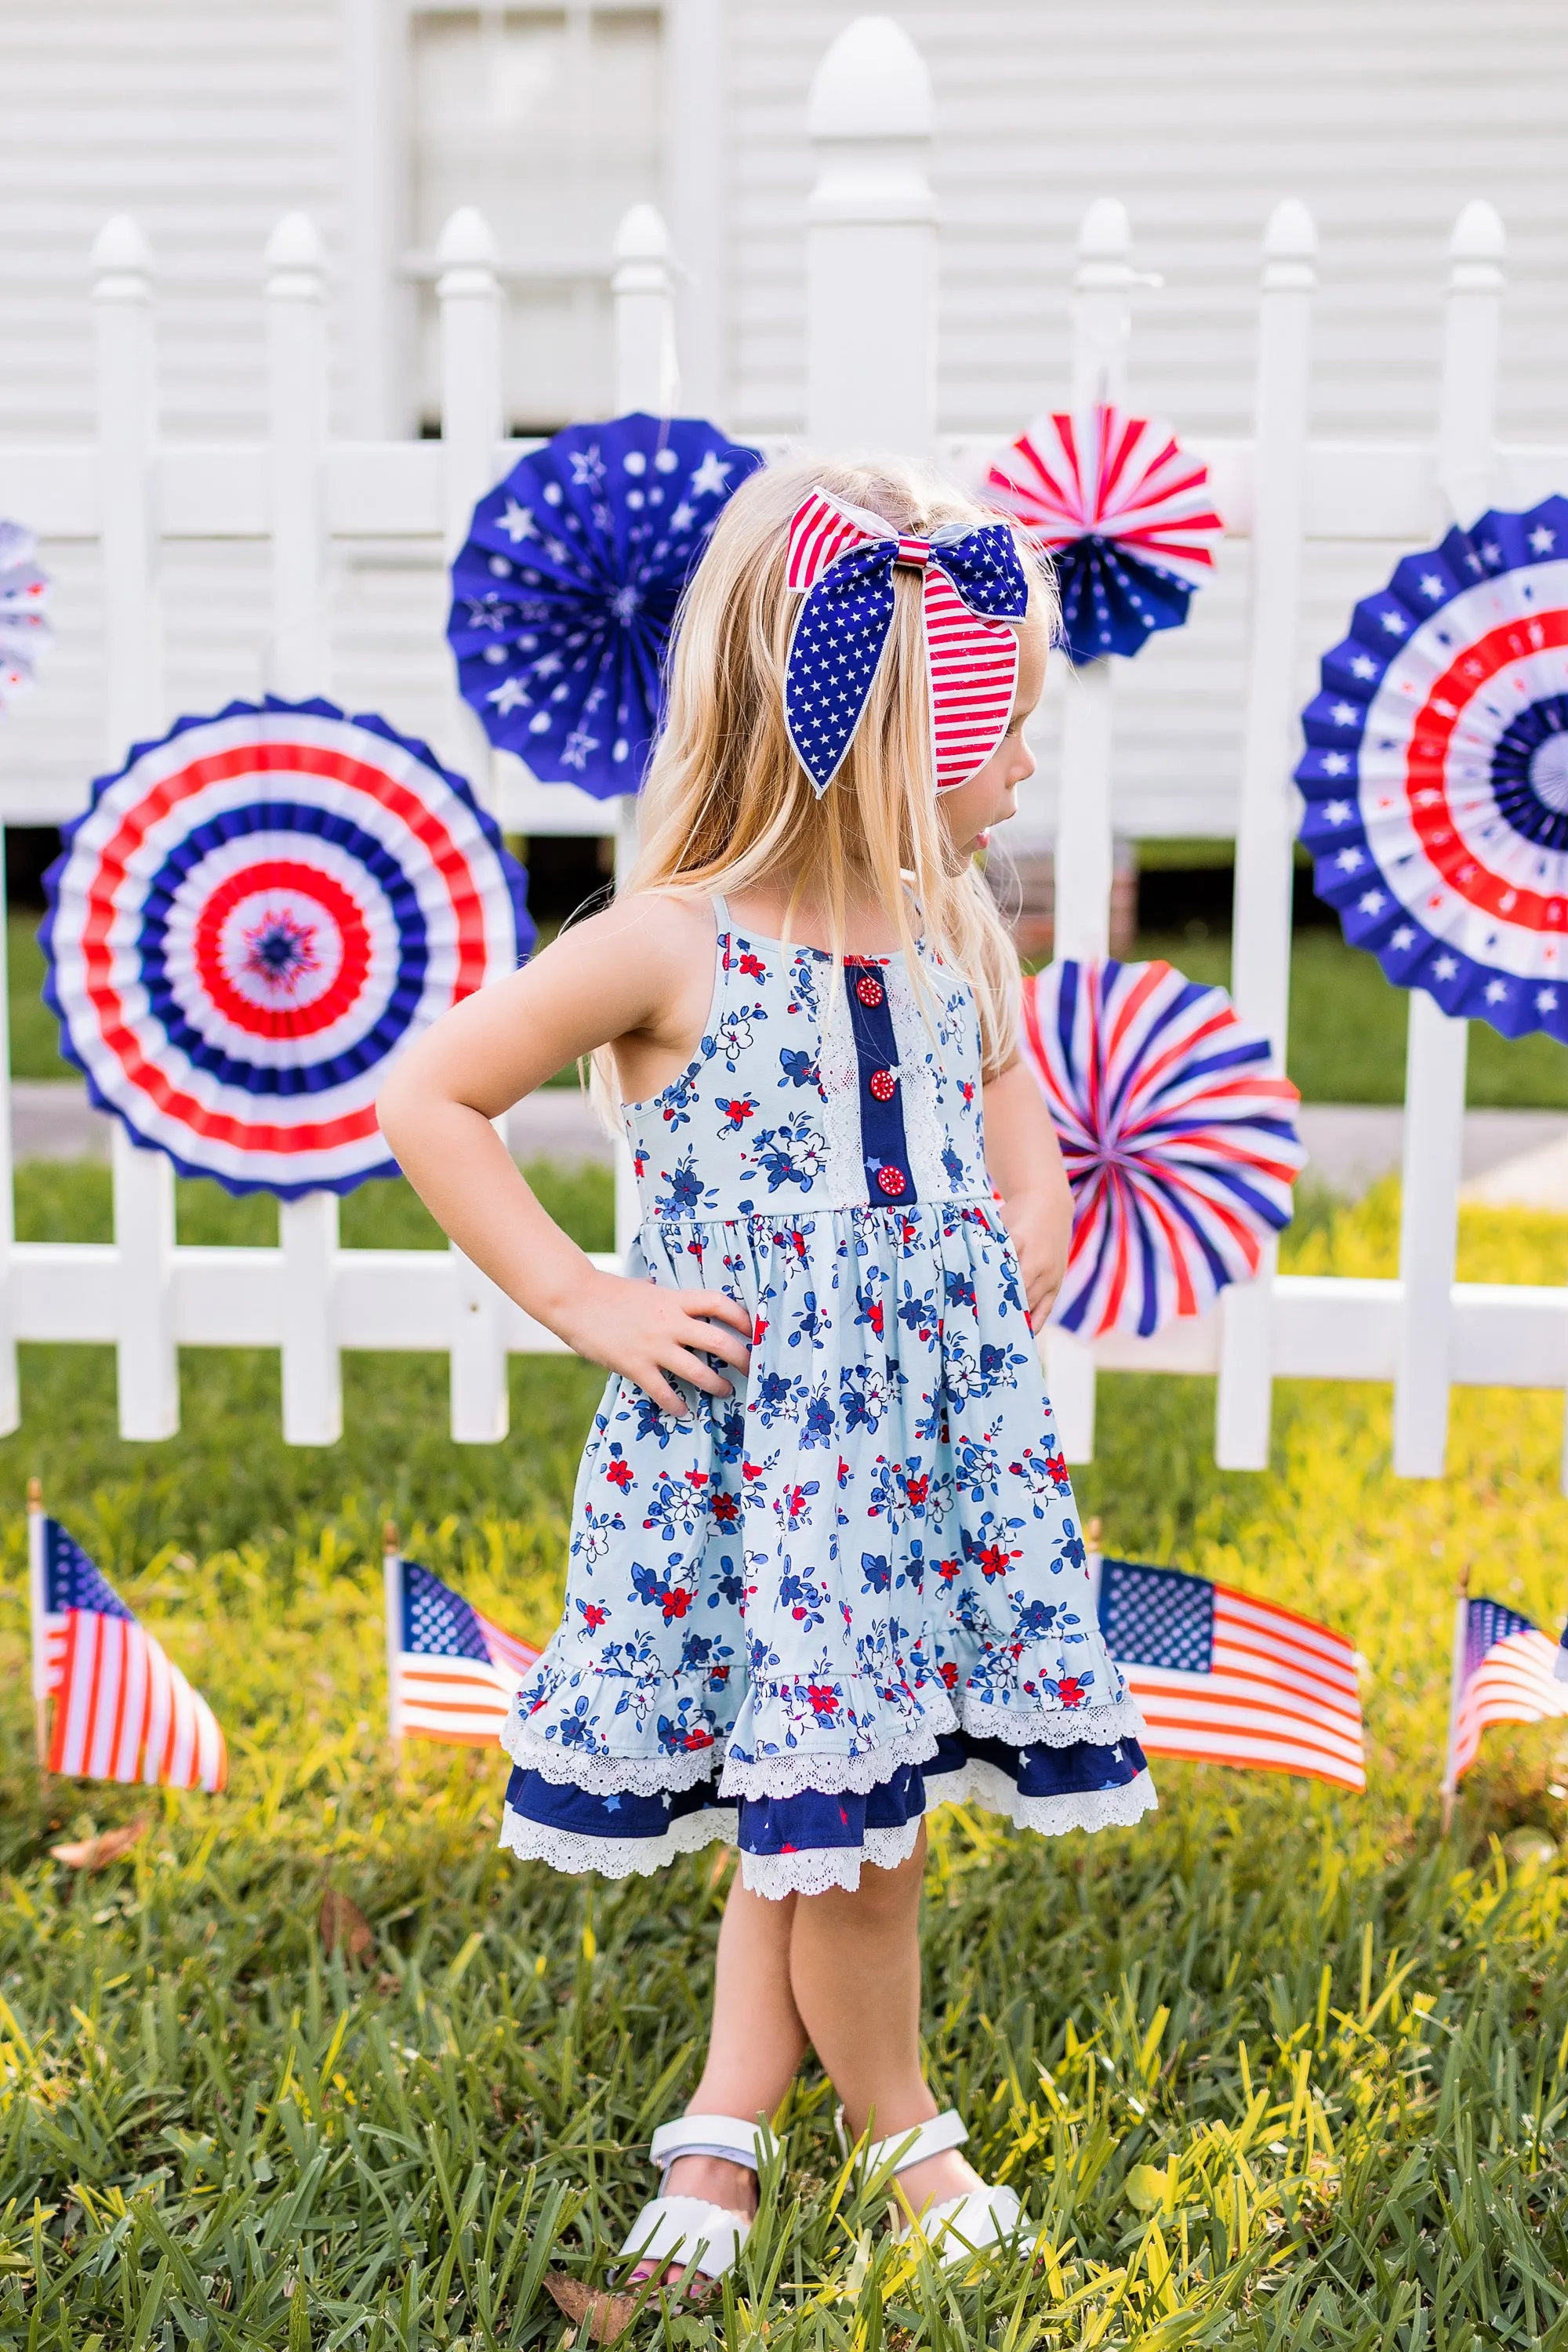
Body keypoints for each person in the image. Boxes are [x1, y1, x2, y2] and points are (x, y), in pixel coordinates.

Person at [379, 457, 1154, 2285]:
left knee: (816, 1807)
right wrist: (584, 1298)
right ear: (899, 728)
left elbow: (1010, 1116)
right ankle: (904, 2134)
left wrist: (1029, 1218)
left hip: (921, 1464)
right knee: (852, 1839)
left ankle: (722, 2126)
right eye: (1006, 731)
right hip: (759, 1459)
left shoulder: (952, 932)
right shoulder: (671, 941)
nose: (1027, 770)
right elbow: (432, 1095)